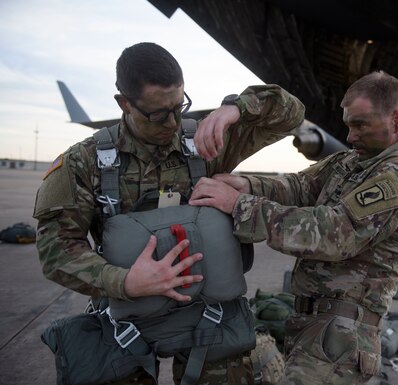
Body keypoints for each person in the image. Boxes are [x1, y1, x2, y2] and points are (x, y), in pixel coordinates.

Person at [33, 42, 305, 384]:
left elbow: (291, 112)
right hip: (127, 317)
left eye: (180, 106)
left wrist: (236, 108)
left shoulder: (205, 143)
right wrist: (125, 281)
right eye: (159, 114)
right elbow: (56, 249)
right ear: (124, 103)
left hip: (208, 312)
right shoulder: (84, 162)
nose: (173, 122)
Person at [188, 71, 398, 384]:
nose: (350, 136)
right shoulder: (352, 162)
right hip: (315, 325)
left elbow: (335, 234)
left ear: (397, 118)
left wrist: (239, 205)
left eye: (360, 124)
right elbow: (300, 186)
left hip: (342, 336)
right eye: (348, 124)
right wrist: (246, 184)